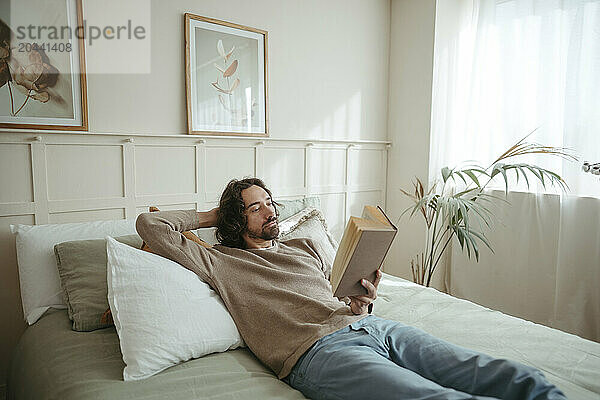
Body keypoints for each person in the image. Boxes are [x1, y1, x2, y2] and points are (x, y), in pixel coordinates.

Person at [136, 177, 566, 400]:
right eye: (255, 206)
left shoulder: (304, 246)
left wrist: (362, 301)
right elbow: (150, 226)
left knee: (498, 373)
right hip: (318, 354)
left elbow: (334, 299)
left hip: (372, 329)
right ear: (235, 219)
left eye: (270, 201)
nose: (269, 210)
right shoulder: (221, 260)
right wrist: (214, 213)